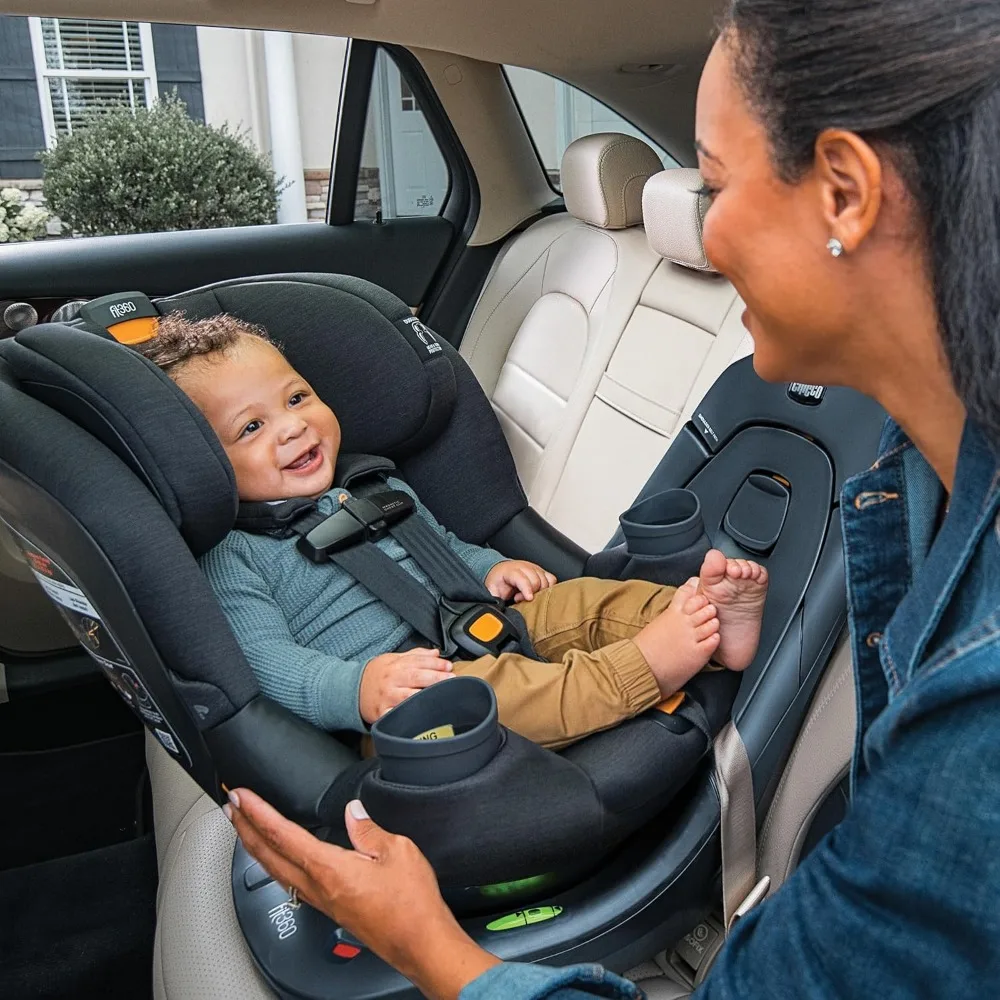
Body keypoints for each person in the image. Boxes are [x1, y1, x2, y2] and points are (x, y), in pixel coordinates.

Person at [228, 0, 1000, 994]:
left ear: (845, 194)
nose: (696, 231)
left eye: (711, 185)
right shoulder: (917, 469)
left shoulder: (977, 734)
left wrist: (433, 948)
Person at [139, 314, 768, 749]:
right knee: (509, 694)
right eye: (251, 428)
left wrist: (490, 567)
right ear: (201, 466)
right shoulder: (234, 556)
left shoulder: (374, 488)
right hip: (406, 702)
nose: (293, 427)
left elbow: (441, 548)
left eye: (297, 398)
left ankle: (710, 625)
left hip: (478, 621)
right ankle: (644, 670)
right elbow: (270, 665)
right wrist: (357, 689)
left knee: (583, 600)